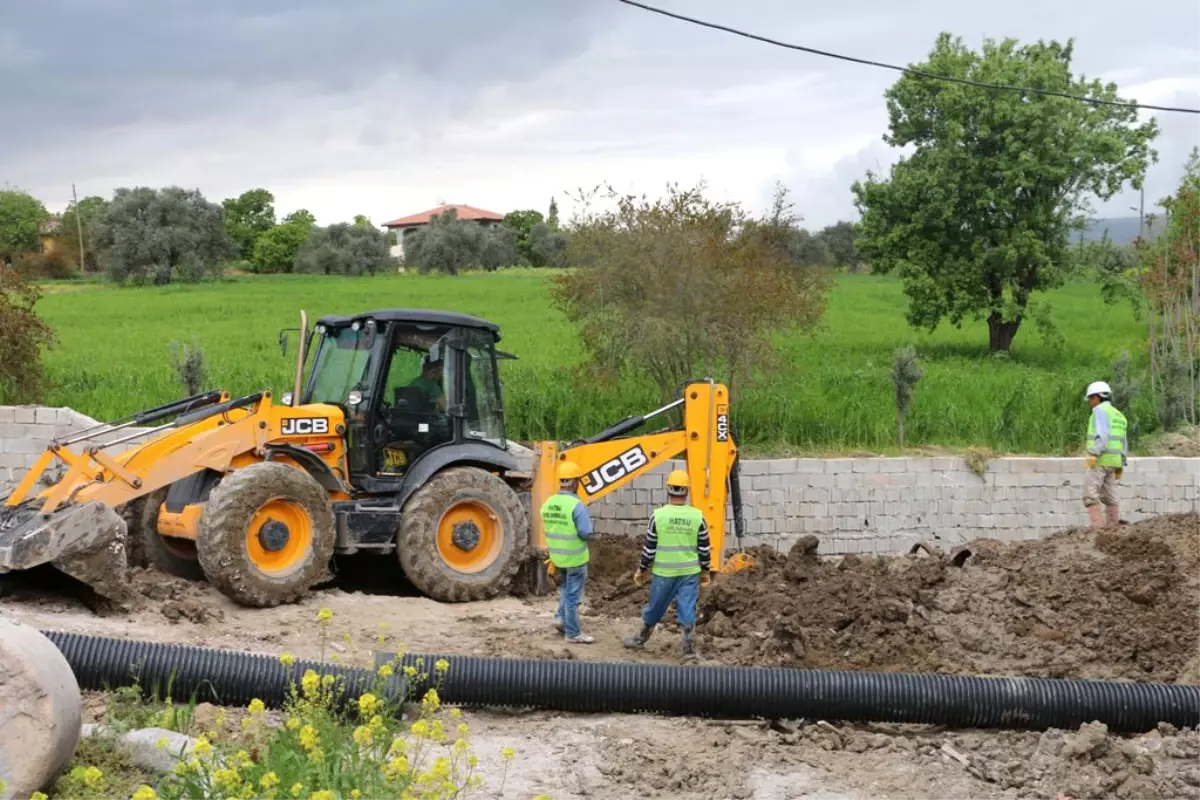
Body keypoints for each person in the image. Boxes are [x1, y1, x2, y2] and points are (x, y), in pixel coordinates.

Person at [623, 469, 715, 660]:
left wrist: (642, 569)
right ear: (687, 491)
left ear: (668, 490)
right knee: (687, 606)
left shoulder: (658, 516)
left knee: (656, 606)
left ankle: (641, 638)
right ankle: (688, 648)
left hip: (664, 572)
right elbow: (705, 548)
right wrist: (705, 570)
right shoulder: (698, 517)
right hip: (690, 572)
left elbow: (649, 547)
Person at [539, 460, 595, 644]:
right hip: (575, 558)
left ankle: (560, 619)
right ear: (574, 482)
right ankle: (572, 633)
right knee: (573, 596)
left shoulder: (549, 503)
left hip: (558, 558)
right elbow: (585, 532)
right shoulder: (575, 505)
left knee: (565, 589)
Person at [1083, 380, 1127, 528]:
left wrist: (1093, 453)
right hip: (1114, 461)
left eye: (1090, 398)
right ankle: (1113, 528)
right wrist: (1121, 462)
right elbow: (1123, 441)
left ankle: (1097, 530)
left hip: (1100, 460)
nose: (1090, 402)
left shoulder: (1100, 411)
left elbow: (1103, 435)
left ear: (1098, 397)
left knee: (1090, 494)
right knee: (1110, 497)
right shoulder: (1119, 415)